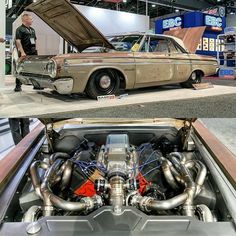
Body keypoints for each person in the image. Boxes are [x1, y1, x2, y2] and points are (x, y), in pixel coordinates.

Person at [15, 13, 37, 92]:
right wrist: (22, 52)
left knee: (35, 69)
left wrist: (35, 50)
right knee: (21, 68)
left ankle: (36, 85)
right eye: (31, 19)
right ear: (26, 20)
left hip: (33, 52)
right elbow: (18, 41)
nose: (32, 20)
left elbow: (34, 40)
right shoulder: (19, 29)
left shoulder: (32, 30)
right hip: (24, 52)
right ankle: (18, 85)